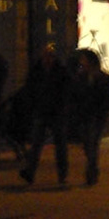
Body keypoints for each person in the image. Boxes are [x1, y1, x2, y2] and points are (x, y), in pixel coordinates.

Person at [17, 45, 73, 185]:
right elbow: (29, 90)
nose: (48, 59)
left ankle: (62, 174)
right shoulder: (36, 72)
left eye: (50, 56)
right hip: (41, 111)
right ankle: (30, 172)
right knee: (36, 144)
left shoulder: (60, 72)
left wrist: (64, 107)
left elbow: (66, 91)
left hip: (56, 112)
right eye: (46, 56)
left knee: (59, 145)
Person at [70, 49, 109, 185]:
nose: (82, 63)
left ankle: (91, 171)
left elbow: (107, 98)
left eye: (84, 60)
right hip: (84, 115)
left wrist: (103, 110)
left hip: (97, 115)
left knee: (93, 143)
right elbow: (75, 95)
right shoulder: (80, 77)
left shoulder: (105, 78)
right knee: (87, 144)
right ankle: (92, 167)